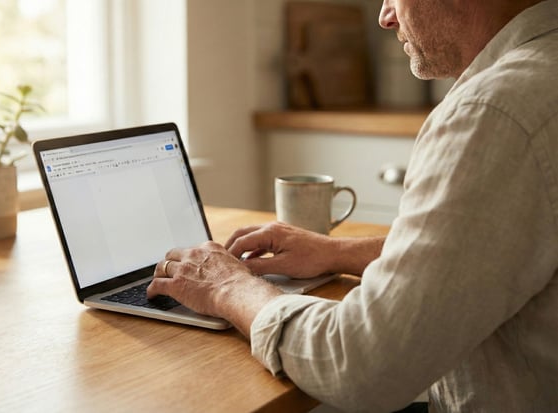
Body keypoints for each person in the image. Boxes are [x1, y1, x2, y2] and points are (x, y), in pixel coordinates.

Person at [147, 0, 558, 411]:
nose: (385, 16)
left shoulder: (493, 111)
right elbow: (499, 246)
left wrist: (227, 286)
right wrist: (338, 252)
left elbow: (361, 363)